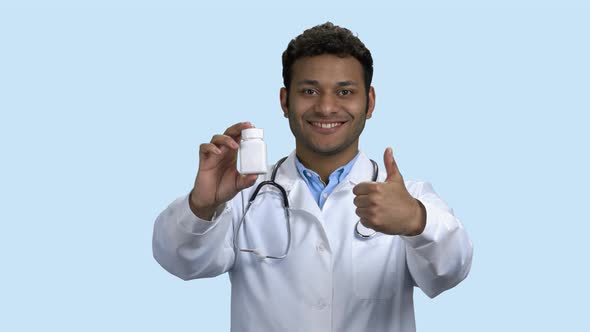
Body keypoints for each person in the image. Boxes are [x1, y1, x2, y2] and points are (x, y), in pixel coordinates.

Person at [152, 22, 473, 332]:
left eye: (345, 91)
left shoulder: (408, 196)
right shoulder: (243, 195)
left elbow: (451, 270)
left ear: (370, 102)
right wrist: (201, 206)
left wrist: (416, 221)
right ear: (284, 101)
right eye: (309, 90)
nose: (326, 107)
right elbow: (179, 261)